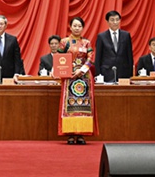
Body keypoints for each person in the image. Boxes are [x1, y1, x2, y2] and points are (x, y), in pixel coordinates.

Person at [57, 16, 97, 145]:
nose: (77, 28)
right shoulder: (64, 42)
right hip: (69, 77)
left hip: (84, 77)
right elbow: (59, 57)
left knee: (83, 105)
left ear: (82, 28)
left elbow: (91, 59)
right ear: (70, 26)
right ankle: (69, 134)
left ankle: (81, 134)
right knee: (69, 106)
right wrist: (64, 71)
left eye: (79, 26)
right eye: (74, 25)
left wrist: (82, 70)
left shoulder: (86, 42)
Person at [94, 10, 133, 82]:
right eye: (112, 20)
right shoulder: (101, 36)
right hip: (106, 73)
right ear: (107, 21)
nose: (115, 22)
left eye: (117, 20)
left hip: (123, 73)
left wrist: (130, 74)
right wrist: (98, 74)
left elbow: (129, 56)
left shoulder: (126, 35)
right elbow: (98, 57)